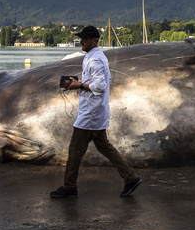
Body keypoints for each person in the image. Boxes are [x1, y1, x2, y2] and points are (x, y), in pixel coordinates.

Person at [49, 26, 143, 199]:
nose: (81, 42)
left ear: (94, 40)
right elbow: (106, 80)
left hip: (90, 114)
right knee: (104, 146)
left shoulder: (95, 60)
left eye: (84, 39)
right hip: (96, 110)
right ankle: (130, 178)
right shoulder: (98, 57)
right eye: (81, 39)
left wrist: (80, 86)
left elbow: (100, 86)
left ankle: (69, 187)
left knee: (75, 151)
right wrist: (81, 84)